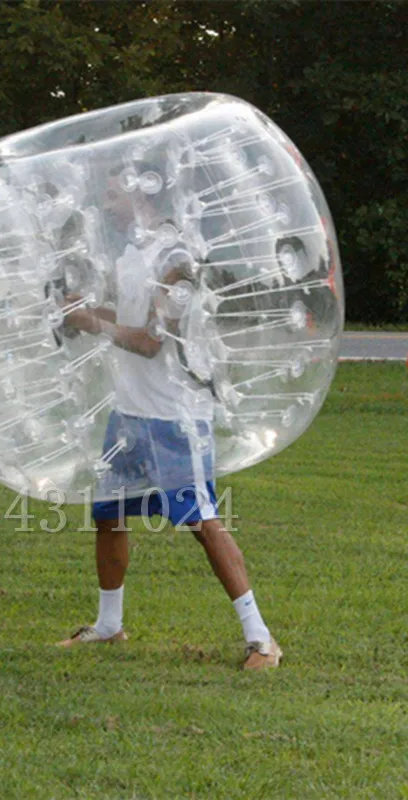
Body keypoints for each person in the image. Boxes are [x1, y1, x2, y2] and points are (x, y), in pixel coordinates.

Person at [55, 169, 281, 669]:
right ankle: (109, 625)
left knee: (201, 521)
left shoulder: (176, 260)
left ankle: (261, 638)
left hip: (174, 416)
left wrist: (91, 322)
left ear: (141, 191)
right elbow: (128, 317)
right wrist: (87, 310)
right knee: (108, 517)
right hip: (129, 411)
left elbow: (152, 340)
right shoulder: (132, 253)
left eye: (113, 194)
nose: (107, 204)